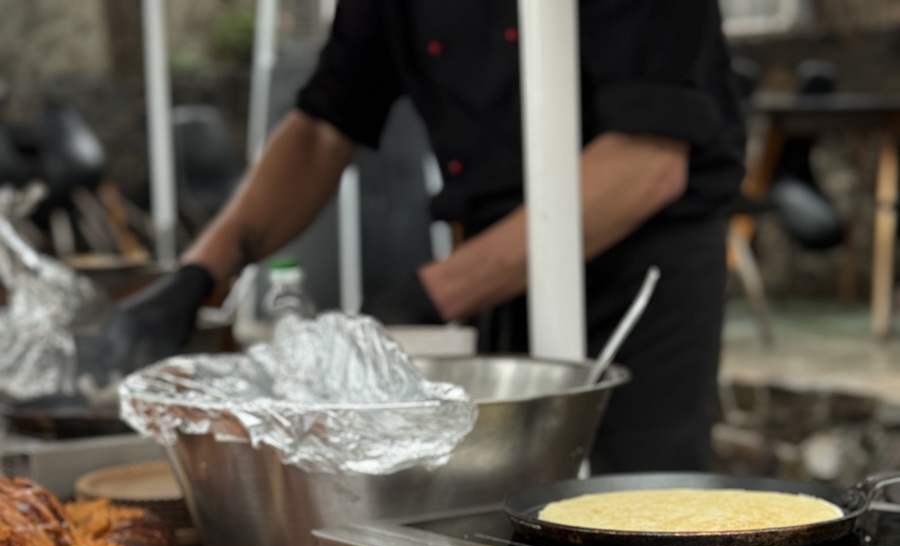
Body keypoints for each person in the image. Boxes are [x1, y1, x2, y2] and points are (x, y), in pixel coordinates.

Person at [107, 0, 746, 473]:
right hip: (494, 269)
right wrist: (201, 271)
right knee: (506, 512)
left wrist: (428, 296)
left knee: (635, 516)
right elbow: (324, 128)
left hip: (639, 271)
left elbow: (644, 164)